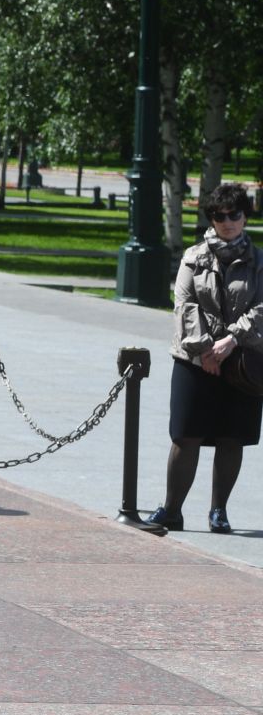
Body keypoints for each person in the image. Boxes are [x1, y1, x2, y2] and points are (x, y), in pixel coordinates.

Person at [139, 183, 263, 536]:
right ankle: (171, 509)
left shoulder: (259, 261)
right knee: (185, 435)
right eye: (220, 216)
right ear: (211, 218)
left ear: (245, 217)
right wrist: (206, 348)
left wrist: (231, 341)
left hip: (243, 361)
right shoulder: (194, 256)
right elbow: (185, 304)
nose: (228, 222)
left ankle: (219, 511)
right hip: (196, 360)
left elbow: (261, 308)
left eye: (234, 215)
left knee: (231, 437)